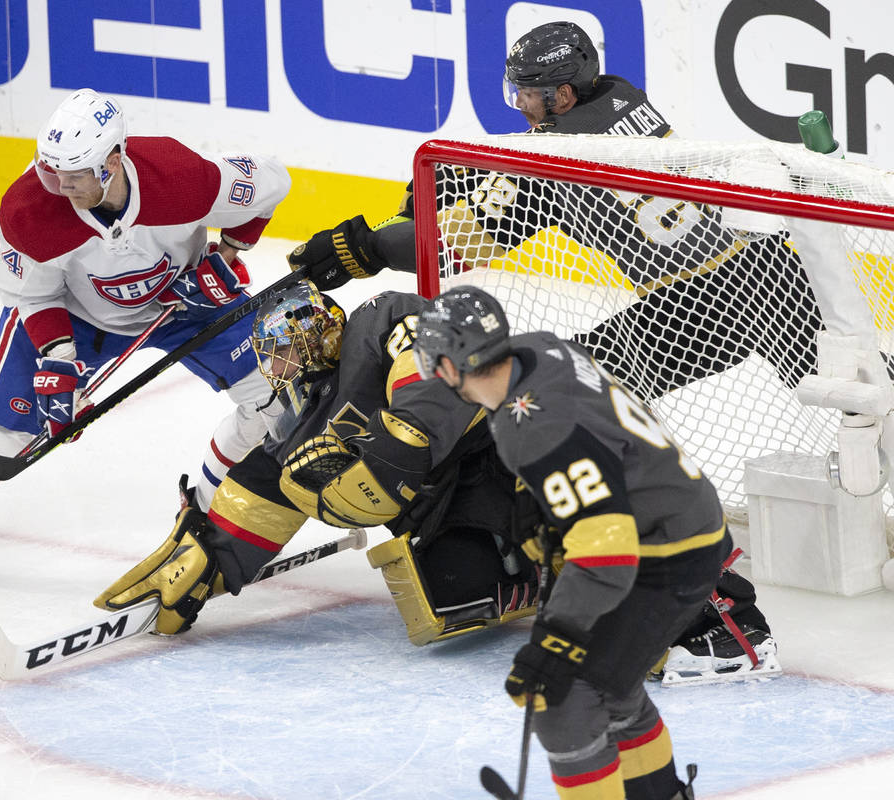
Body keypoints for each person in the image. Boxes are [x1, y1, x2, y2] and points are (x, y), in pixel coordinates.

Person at [284, 19, 781, 680]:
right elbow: (511, 168)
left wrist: (364, 248)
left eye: (529, 93)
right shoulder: (628, 103)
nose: (519, 103)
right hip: (761, 277)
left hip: (698, 306)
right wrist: (462, 177)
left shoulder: (559, 158)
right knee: (571, 390)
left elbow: (452, 243)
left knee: (561, 406)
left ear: (565, 95)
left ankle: (711, 614)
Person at [0, 88, 292, 583]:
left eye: (75, 174)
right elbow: (31, 296)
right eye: (50, 169)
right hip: (74, 316)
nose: (58, 184)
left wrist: (225, 256)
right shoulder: (28, 210)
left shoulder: (180, 175)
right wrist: (58, 362)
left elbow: (271, 185)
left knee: (278, 398)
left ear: (114, 161)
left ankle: (206, 527)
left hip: (182, 303)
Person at [94, 282, 542, 644]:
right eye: (269, 355)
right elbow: (261, 490)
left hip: (502, 456)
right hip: (439, 511)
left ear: (322, 338)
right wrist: (209, 560)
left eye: (282, 349)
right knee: (452, 588)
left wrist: (399, 447)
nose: (274, 365)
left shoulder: (375, 326)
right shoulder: (297, 431)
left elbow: (440, 358)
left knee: (557, 550)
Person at [413, 285, 709, 800]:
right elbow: (597, 437)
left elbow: (607, 553)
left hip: (662, 551)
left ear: (447, 365)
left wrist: (556, 636)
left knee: (565, 695)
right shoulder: (542, 348)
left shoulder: (534, 427)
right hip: (674, 517)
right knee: (611, 693)